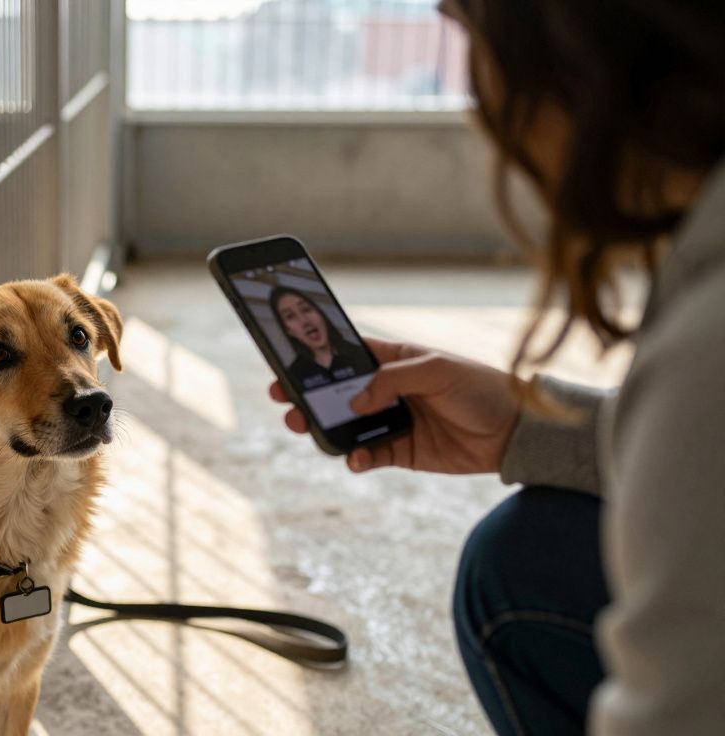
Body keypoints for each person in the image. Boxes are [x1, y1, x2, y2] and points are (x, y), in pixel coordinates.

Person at [269, 1, 724, 733]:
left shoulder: (706, 352)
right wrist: (525, 425)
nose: (477, 103)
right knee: (520, 558)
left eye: (470, 30)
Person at [269, 286, 371, 388]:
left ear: (320, 314)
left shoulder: (361, 354)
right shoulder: (294, 375)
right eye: (290, 316)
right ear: (288, 330)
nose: (305, 321)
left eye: (306, 309)